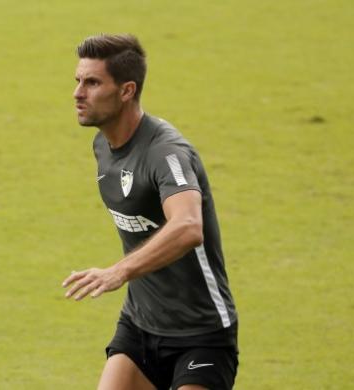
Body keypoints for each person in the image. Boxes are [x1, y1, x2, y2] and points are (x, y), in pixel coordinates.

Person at [62, 34, 239, 390]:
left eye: (92, 83)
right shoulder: (103, 144)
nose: (78, 93)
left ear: (127, 91)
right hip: (139, 325)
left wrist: (119, 272)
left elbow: (188, 226)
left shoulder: (165, 153)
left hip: (200, 333)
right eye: (78, 81)